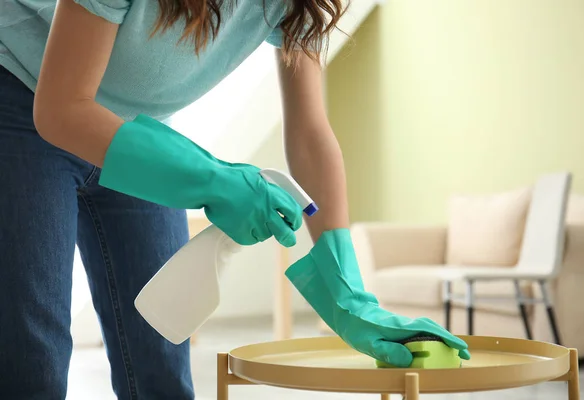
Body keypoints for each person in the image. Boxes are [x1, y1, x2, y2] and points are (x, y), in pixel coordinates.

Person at [0, 0, 470, 398]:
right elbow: (62, 109)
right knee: (31, 358)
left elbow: (309, 131)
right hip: (22, 96)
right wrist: (214, 180)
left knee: (161, 354)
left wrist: (348, 291)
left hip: (137, 126)